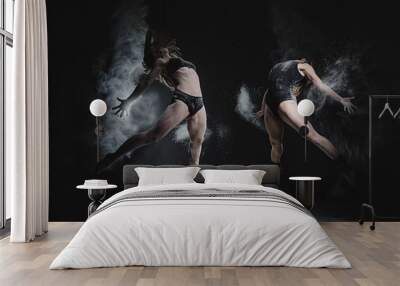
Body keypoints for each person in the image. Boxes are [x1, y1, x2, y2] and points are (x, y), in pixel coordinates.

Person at [97, 30, 207, 172]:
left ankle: (191, 178)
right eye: (154, 49)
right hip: (183, 100)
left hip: (199, 103)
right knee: (153, 136)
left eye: (158, 45)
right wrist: (128, 101)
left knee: (197, 143)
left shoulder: (174, 60)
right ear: (154, 55)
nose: (159, 49)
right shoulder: (161, 63)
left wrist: (151, 34)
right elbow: (146, 82)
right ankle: (113, 157)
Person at [257, 59, 356, 163]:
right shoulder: (305, 66)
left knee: (277, 143)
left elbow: (270, 89)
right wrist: (340, 99)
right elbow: (320, 85)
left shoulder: (280, 66)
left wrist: (262, 108)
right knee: (311, 136)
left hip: (270, 103)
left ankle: (343, 163)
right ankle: (344, 165)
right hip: (282, 101)